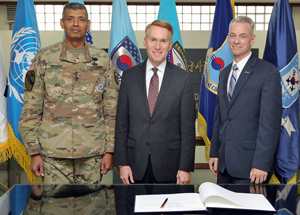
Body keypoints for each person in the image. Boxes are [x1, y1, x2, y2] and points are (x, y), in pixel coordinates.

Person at [18, 3, 119, 184]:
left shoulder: (103, 60)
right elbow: (31, 109)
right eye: (70, 19)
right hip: (53, 155)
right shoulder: (45, 58)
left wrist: (110, 151)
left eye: (81, 19)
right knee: (55, 209)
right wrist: (34, 152)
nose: (75, 24)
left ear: (88, 24)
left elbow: (112, 111)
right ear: (62, 23)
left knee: (91, 209)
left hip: (92, 154)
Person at [114, 20, 195, 184]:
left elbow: (187, 129)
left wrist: (184, 167)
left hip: (170, 167)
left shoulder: (183, 78)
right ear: (145, 42)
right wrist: (122, 163)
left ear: (170, 45)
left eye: (163, 41)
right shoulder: (129, 77)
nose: (158, 46)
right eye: (153, 40)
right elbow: (121, 123)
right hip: (133, 166)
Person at [208, 16, 282, 184]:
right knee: (223, 210)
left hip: (251, 168)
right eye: (232, 36)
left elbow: (269, 124)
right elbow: (219, 116)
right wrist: (214, 152)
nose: (236, 41)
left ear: (252, 39)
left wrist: (261, 164)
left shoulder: (268, 73)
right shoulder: (224, 73)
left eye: (242, 36)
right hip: (223, 164)